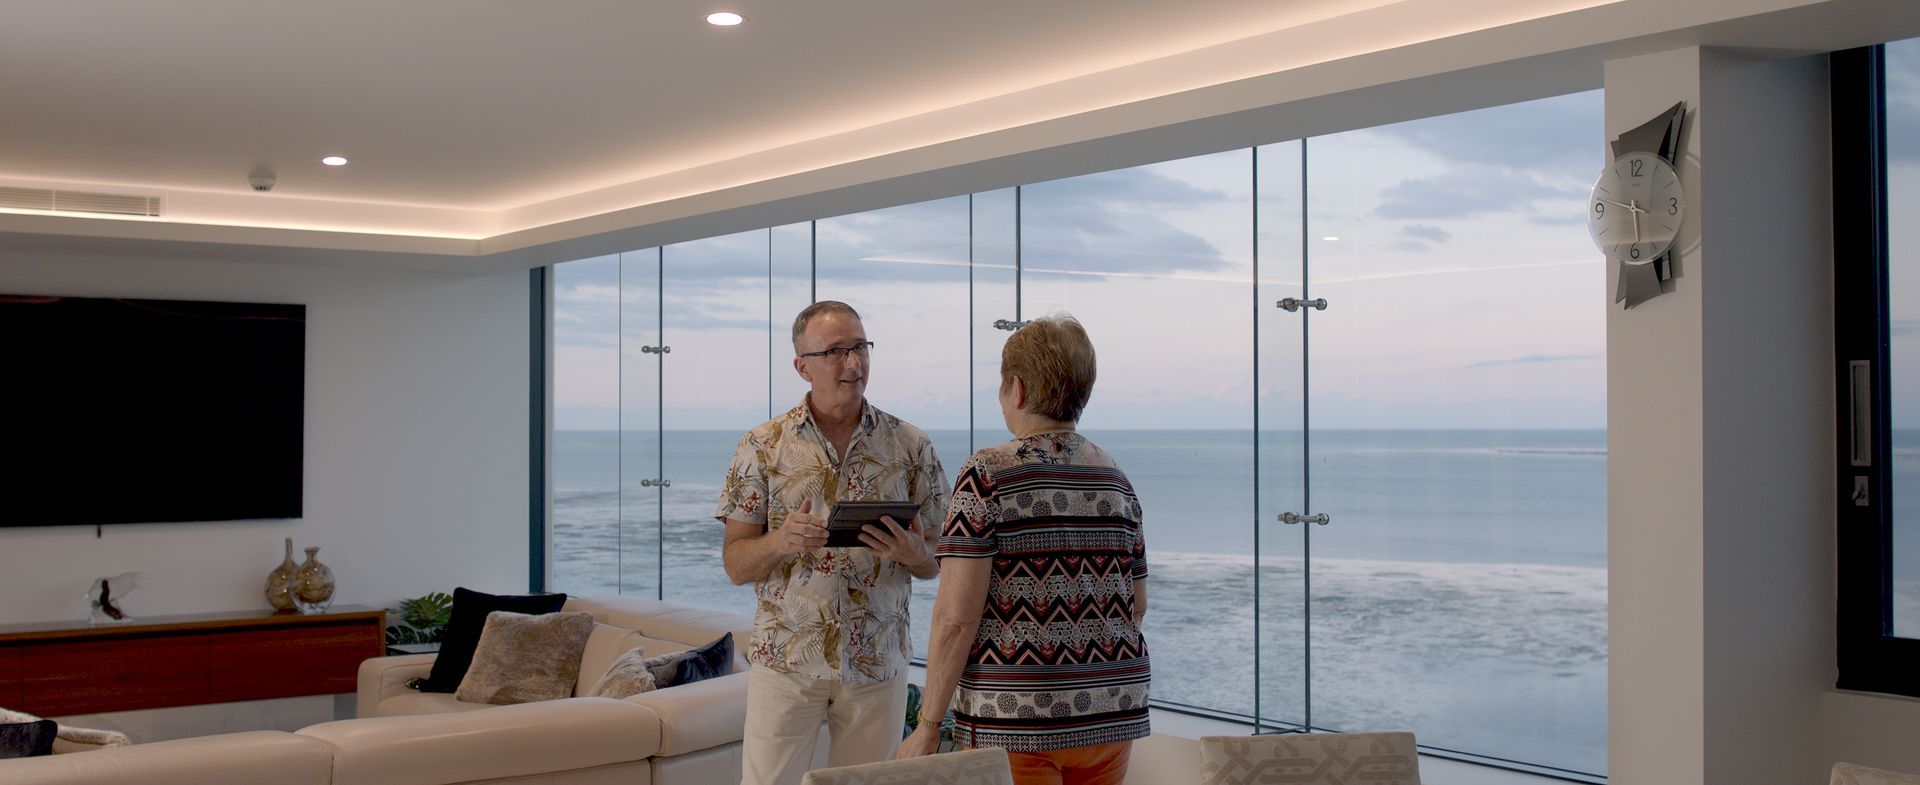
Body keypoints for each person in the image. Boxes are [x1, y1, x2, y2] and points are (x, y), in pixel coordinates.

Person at [899, 314, 1150, 785]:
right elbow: (1135, 605)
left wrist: (928, 726)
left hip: (1017, 719)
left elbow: (956, 619)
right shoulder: (1116, 479)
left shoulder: (987, 475)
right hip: (1113, 711)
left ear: (1015, 389)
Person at [715, 300, 950, 785]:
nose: (854, 362)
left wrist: (916, 554)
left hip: (878, 664)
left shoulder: (911, 445)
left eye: (861, 346)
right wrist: (780, 542)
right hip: (787, 662)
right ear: (802, 366)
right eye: (836, 351)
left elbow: (938, 559)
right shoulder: (761, 445)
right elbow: (736, 565)